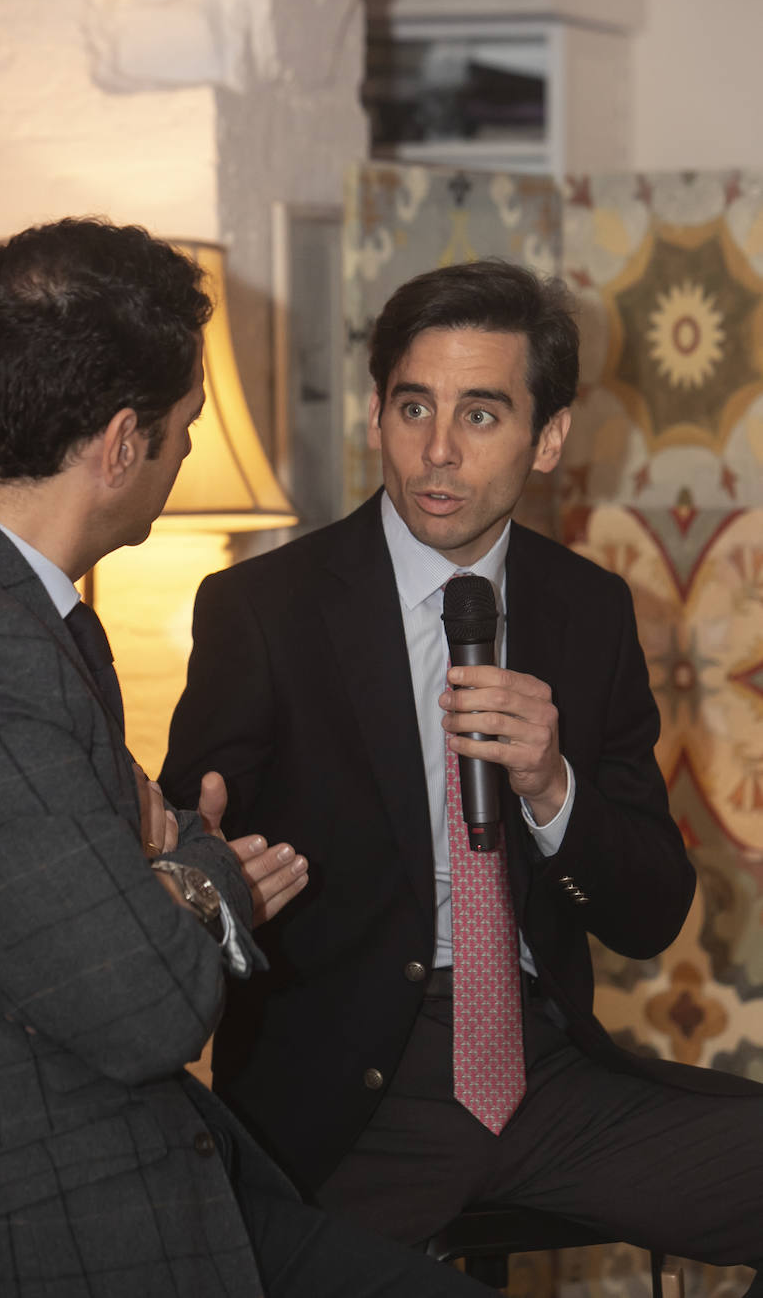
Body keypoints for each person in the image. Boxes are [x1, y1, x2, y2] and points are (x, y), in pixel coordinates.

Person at [0, 219, 493, 1298]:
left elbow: (152, 846)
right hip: (44, 1220)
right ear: (118, 445)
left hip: (152, 1165)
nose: (188, 449)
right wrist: (208, 880)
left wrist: (167, 869)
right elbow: (146, 1003)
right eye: (185, 425)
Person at [161, 259, 763, 1280]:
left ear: (549, 438)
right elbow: (190, 866)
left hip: (541, 1072)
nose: (436, 451)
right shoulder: (262, 611)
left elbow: (650, 911)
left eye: (481, 415)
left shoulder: (587, 609)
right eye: (413, 407)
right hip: (347, 1099)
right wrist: (201, 870)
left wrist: (552, 790)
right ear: (376, 415)